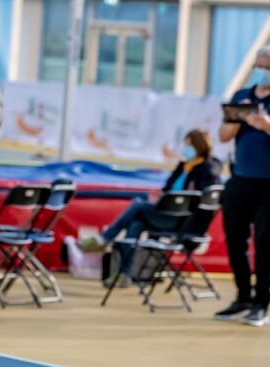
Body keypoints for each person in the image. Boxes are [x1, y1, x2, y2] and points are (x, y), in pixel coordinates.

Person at [77, 129, 223, 282]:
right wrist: (161, 195)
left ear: (198, 145)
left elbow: (200, 197)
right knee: (135, 225)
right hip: (165, 213)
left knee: (138, 206)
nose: (186, 149)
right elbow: (168, 188)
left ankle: (103, 239)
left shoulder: (209, 168)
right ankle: (123, 275)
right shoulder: (183, 166)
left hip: (184, 222)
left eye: (189, 145)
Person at [213, 46, 270, 327]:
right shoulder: (242, 97)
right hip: (241, 178)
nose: (263, 69)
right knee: (234, 239)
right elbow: (223, 136)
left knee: (264, 242)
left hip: (268, 183)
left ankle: (262, 303)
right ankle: (243, 296)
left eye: (268, 64)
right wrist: (238, 121)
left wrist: (266, 125)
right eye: (261, 63)